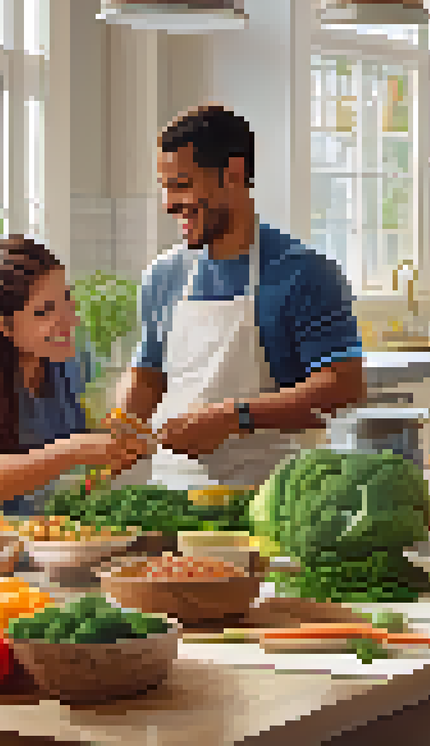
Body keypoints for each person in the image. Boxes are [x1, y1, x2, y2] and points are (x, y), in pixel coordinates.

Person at [112, 104, 367, 489]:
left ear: (231, 174)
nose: (168, 203)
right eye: (164, 187)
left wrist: (233, 417)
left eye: (181, 185)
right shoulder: (163, 276)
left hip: (269, 494)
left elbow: (343, 387)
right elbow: (148, 377)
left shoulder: (303, 272)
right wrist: (121, 428)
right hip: (171, 492)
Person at [0, 236, 152, 536]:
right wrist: (75, 451)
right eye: (44, 311)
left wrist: (110, 456)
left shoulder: (63, 364)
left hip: (35, 552)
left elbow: (64, 473)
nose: (70, 320)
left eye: (66, 299)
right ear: (3, 325)